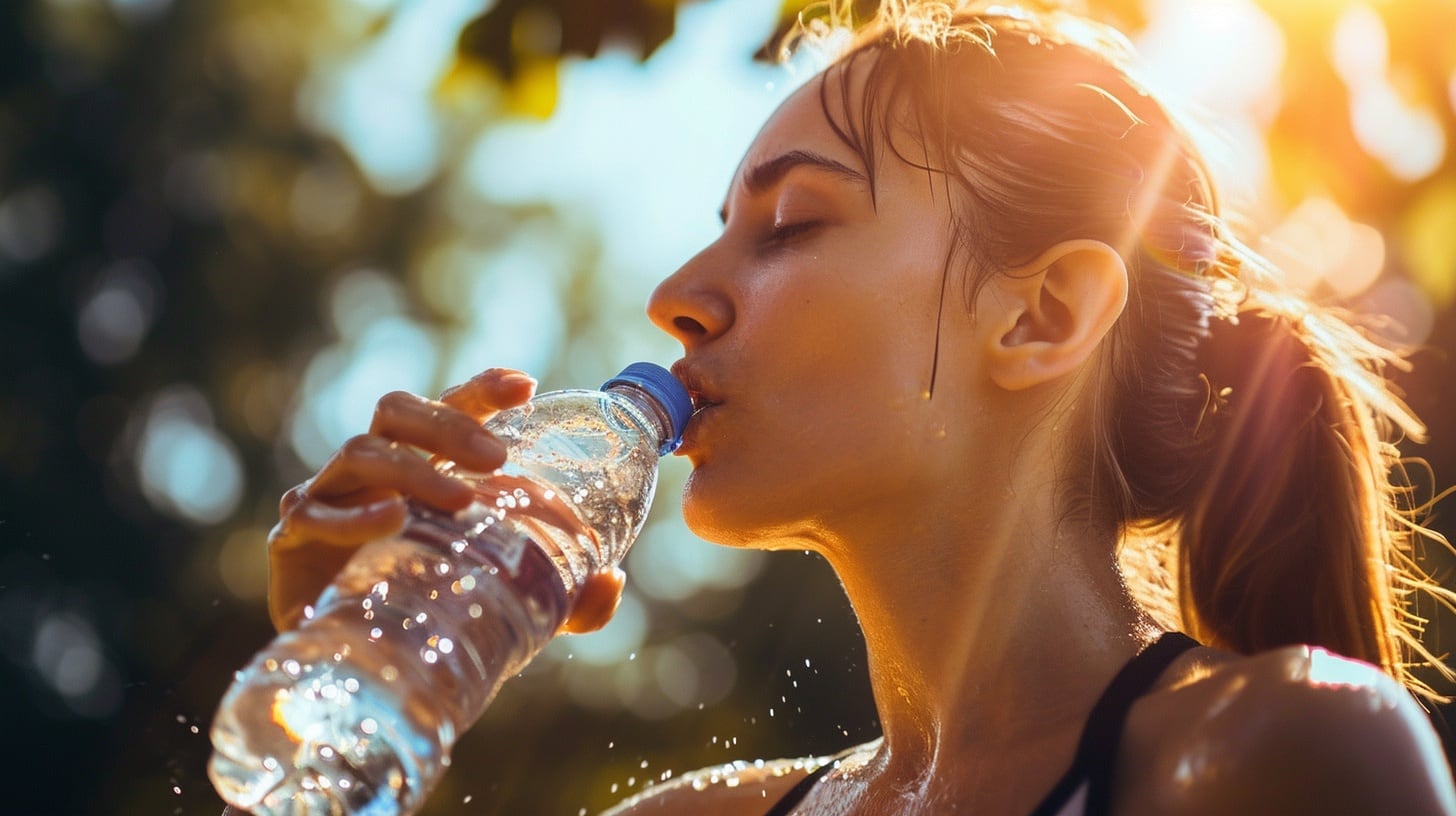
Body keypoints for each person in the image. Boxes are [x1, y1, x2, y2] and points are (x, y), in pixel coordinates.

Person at [263, 1, 1456, 813]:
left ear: (1041, 317)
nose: (675, 297)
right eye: (717, 229)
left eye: (790, 224)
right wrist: (347, 711)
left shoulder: (1274, 760)